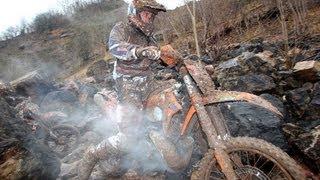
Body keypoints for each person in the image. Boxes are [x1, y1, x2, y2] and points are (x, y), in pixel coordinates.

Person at [78, 1, 193, 179]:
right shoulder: (121, 28)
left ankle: (165, 142)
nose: (150, 17)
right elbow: (115, 48)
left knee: (174, 97)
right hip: (127, 83)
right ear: (136, 12)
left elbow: (159, 55)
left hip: (148, 80)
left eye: (152, 15)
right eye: (147, 13)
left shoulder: (148, 35)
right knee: (129, 137)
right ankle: (92, 154)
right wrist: (140, 51)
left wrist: (180, 63)